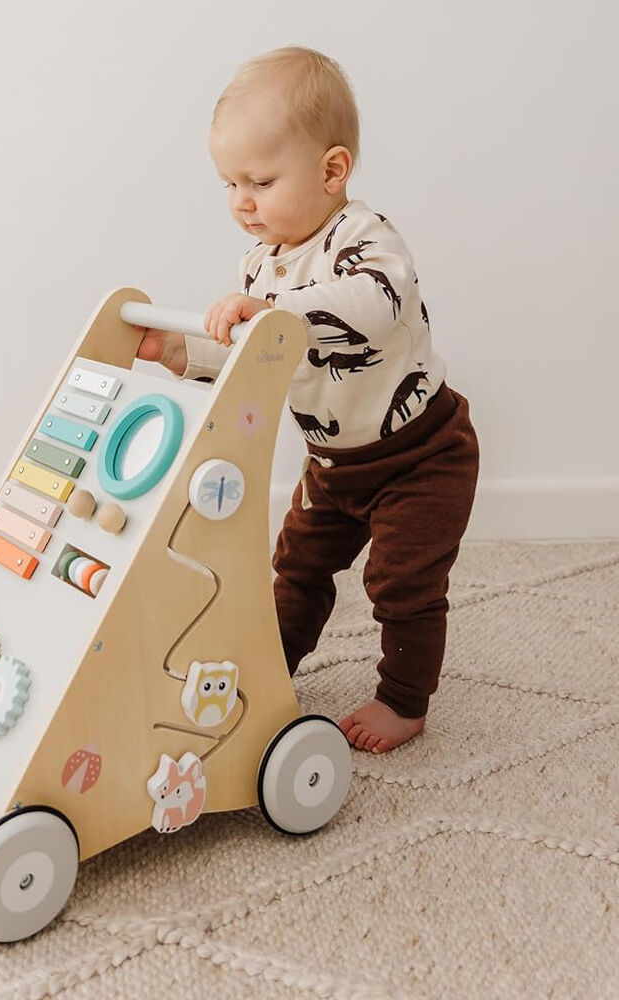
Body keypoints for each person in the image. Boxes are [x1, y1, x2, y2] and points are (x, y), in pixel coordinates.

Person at [135, 46, 480, 753]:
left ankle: (404, 700)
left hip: (421, 456)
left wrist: (268, 307)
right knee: (294, 568)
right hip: (332, 465)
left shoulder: (363, 240)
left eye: (260, 180)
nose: (241, 200)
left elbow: (378, 305)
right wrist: (181, 353)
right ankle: (269, 668)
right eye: (229, 183)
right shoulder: (262, 264)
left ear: (332, 171)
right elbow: (256, 354)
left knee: (401, 581)